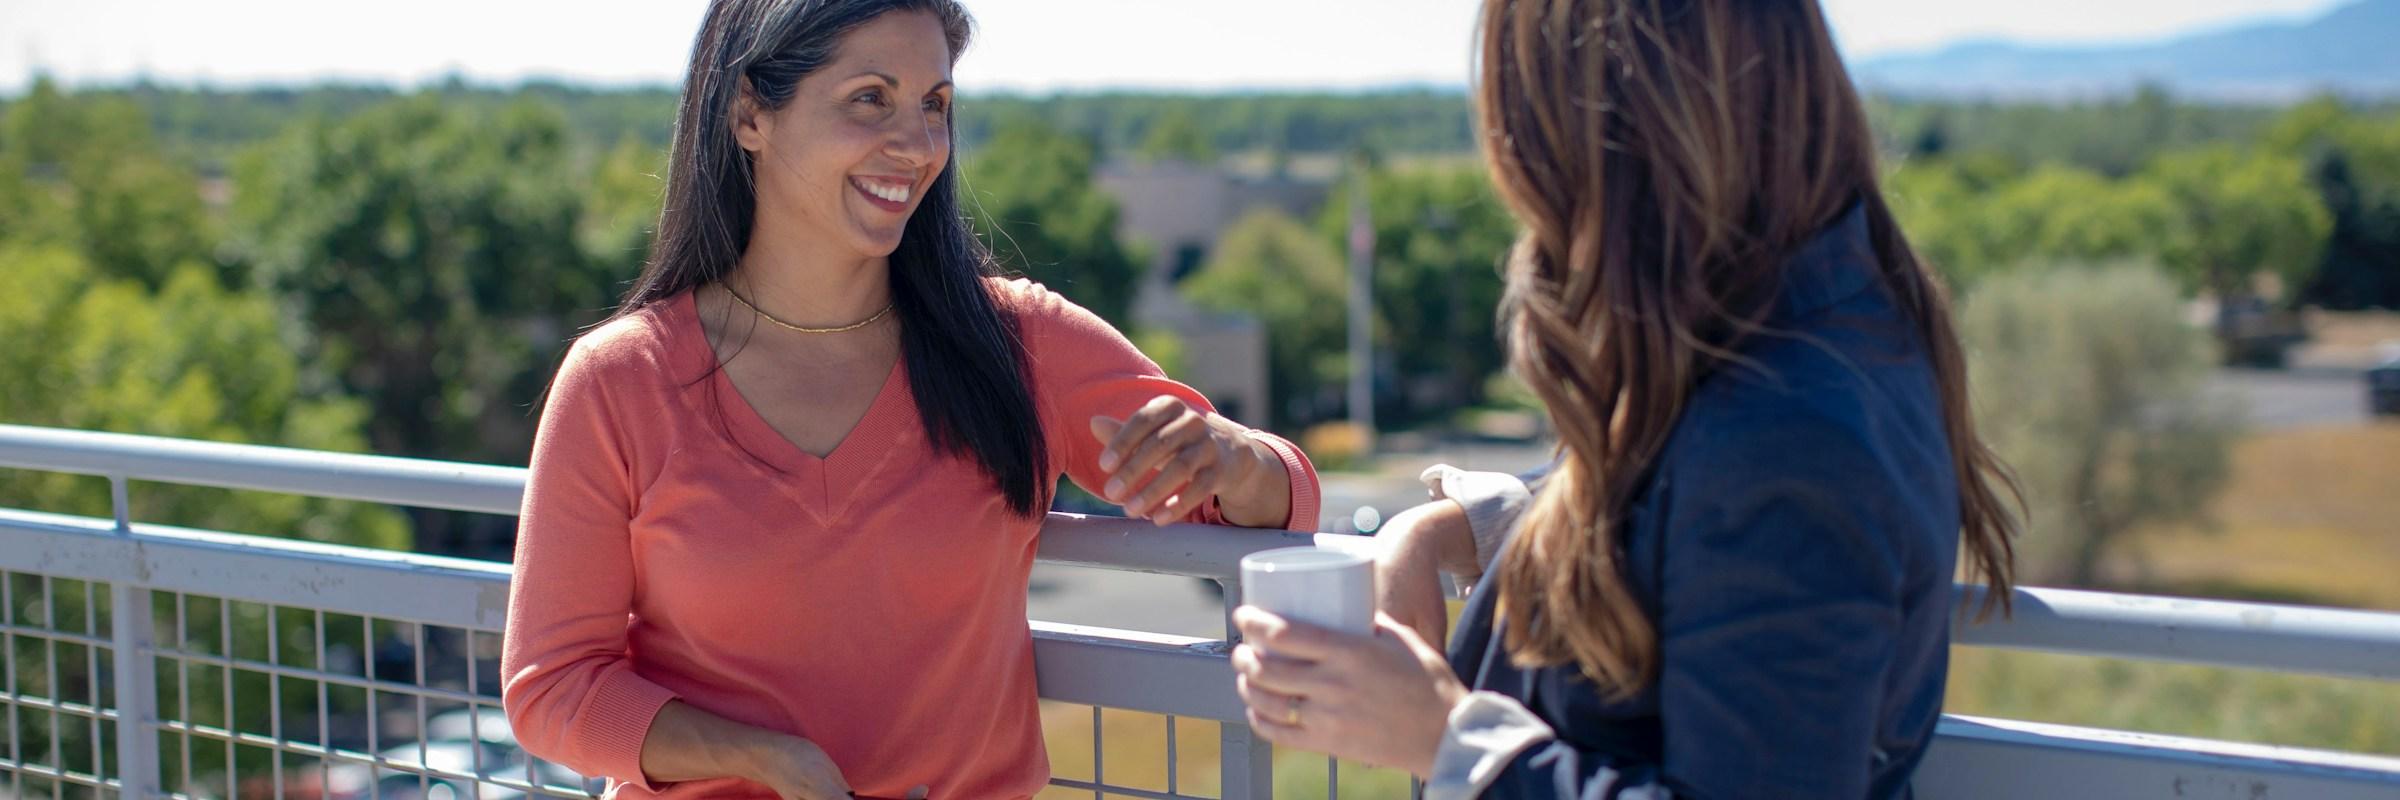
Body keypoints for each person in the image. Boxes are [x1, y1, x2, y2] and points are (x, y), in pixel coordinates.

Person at [499, 3, 1320, 798]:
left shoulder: (1018, 342)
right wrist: (764, 761)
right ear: (751, 112)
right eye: (870, 99)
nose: (918, 144)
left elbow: (1277, 504)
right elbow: (553, 686)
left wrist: (1233, 459)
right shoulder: (619, 382)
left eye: (936, 105)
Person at [1228, 0, 2020, 797]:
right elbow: (1681, 505)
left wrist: (1447, 738)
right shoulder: (1823, 319)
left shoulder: (1788, 433)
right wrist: (1463, 529)